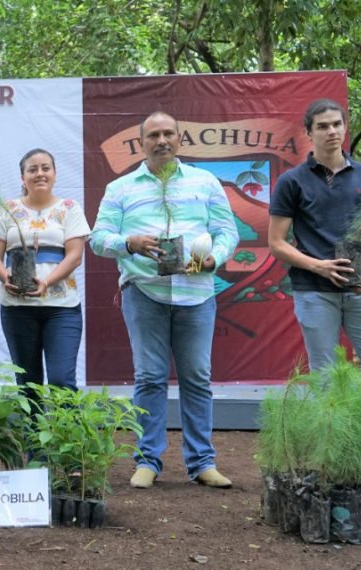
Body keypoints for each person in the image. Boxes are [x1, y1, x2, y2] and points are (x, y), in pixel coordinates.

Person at [90, 111, 239, 489]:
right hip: (144, 292)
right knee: (150, 377)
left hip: (197, 293)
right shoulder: (120, 188)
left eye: (168, 134)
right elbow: (97, 238)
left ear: (179, 139)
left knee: (197, 378)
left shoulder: (205, 183)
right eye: (153, 135)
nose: (161, 141)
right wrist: (130, 243)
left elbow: (227, 232)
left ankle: (202, 463)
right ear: (142, 143)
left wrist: (214, 259)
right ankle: (148, 461)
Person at [268, 98, 361, 387]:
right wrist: (320, 267)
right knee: (327, 381)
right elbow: (277, 243)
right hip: (314, 292)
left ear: (344, 128)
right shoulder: (291, 181)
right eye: (323, 126)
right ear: (309, 132)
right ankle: (334, 435)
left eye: (337, 124)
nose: (331, 131)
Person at [0, 148, 91, 420]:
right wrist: (5, 277)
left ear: (54, 174)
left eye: (45, 168)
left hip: (61, 307)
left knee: (61, 381)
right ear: (22, 177)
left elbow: (75, 256)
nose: (39, 173)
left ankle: (71, 455)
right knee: (28, 384)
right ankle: (36, 454)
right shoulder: (7, 209)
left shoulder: (69, 208)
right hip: (17, 307)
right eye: (32, 169)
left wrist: (48, 281)